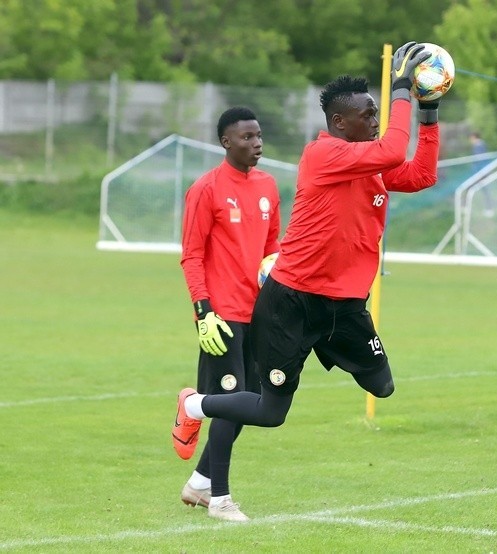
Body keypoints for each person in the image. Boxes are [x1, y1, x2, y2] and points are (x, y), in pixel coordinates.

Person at [171, 42, 440, 488]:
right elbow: (394, 150)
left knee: (383, 386)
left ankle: (201, 479)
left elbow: (421, 174)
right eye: (368, 115)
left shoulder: (369, 162)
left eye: (378, 113)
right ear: (339, 122)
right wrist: (401, 89)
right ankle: (194, 408)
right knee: (270, 412)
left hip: (345, 306)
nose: (375, 121)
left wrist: (428, 113)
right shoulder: (324, 155)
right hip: (292, 302)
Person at [175, 106, 281, 522]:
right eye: (246, 137)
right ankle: (219, 499)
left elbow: (273, 249)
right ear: (226, 142)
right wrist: (203, 312)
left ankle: (199, 483)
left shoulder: (269, 186)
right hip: (221, 316)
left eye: (258, 136)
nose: (256, 144)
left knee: (247, 403)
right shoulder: (206, 189)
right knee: (227, 401)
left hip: (258, 314)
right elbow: (191, 256)